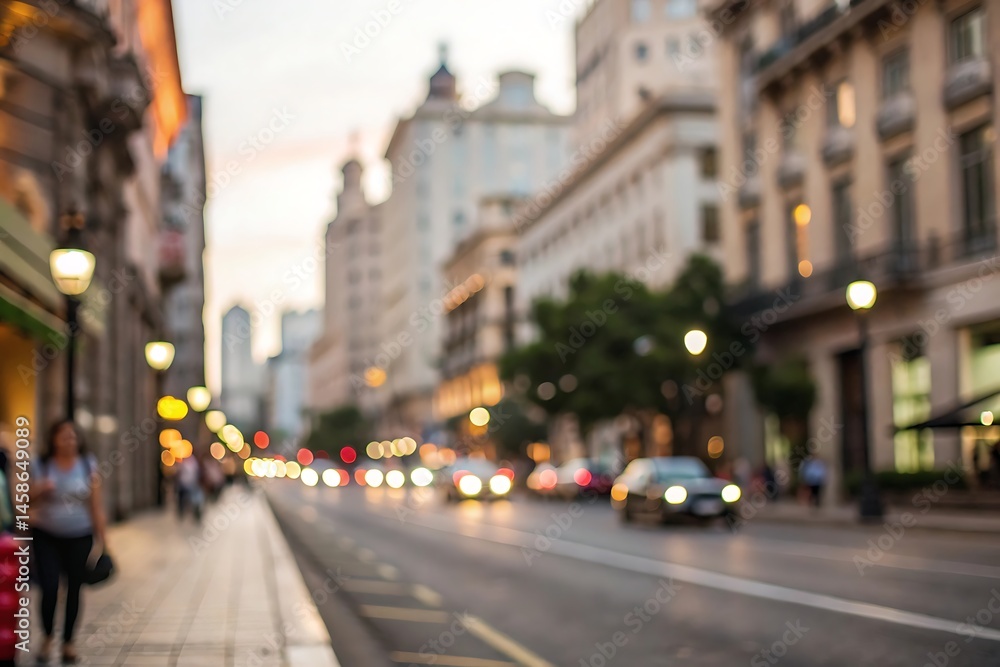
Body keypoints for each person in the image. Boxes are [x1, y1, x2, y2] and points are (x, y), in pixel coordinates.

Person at [31, 420, 106, 664]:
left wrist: (103, 540)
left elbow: (95, 504)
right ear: (53, 439)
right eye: (63, 436)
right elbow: (22, 500)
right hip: (46, 534)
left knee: (75, 588)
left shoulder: (87, 464)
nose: (69, 440)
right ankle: (47, 637)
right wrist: (39, 490)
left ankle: (69, 643)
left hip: (80, 535)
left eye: (73, 436)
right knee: (50, 586)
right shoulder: (40, 464)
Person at [175, 455, 203, 521]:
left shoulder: (193, 463)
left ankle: (191, 512)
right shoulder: (185, 464)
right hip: (184, 484)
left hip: (190, 484)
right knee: (184, 499)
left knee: (192, 499)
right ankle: (182, 512)